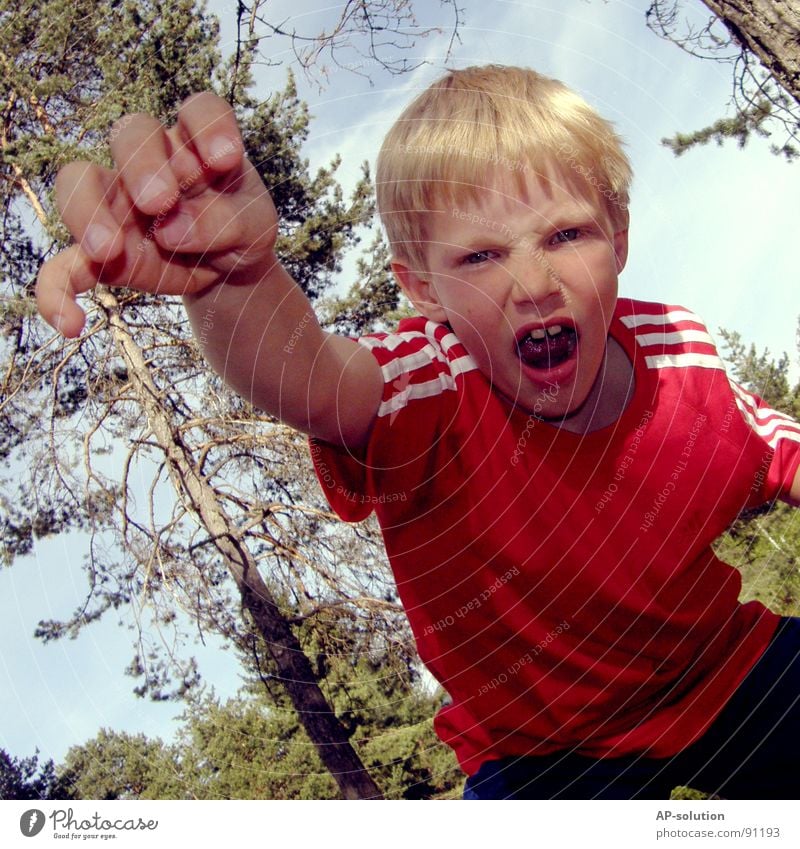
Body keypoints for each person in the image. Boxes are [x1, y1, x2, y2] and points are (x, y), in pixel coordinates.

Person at [36, 65, 800, 800]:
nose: (535, 284)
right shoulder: (429, 382)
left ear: (620, 237)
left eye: (567, 234)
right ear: (424, 287)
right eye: (481, 255)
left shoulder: (680, 359)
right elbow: (311, 379)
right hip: (541, 751)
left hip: (723, 673)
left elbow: (778, 447)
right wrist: (235, 281)